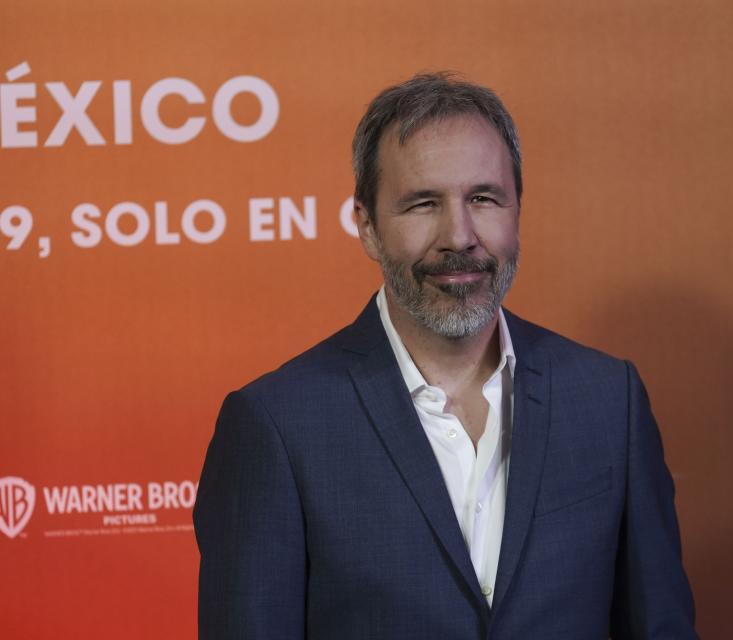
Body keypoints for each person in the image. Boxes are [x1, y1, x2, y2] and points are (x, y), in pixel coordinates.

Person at [194, 72, 697, 639]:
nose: (459, 236)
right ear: (366, 225)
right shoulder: (278, 425)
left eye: (483, 198)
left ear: (517, 210)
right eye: (423, 204)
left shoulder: (608, 399)